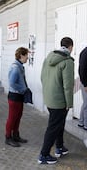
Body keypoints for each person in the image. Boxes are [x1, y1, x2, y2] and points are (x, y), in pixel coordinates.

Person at [37, 37, 74, 165]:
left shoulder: (49, 57)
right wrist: (69, 103)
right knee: (53, 127)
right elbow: (68, 86)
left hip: (49, 97)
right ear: (71, 47)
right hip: (59, 101)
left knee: (59, 124)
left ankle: (59, 147)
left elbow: (42, 76)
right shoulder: (68, 62)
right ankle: (44, 155)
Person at [5, 47, 30, 147]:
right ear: (21, 56)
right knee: (12, 118)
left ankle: (15, 135)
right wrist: (23, 89)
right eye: (26, 56)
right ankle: (8, 137)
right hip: (14, 96)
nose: (27, 58)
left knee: (18, 117)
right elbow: (12, 83)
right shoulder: (16, 68)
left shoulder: (20, 66)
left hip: (18, 96)